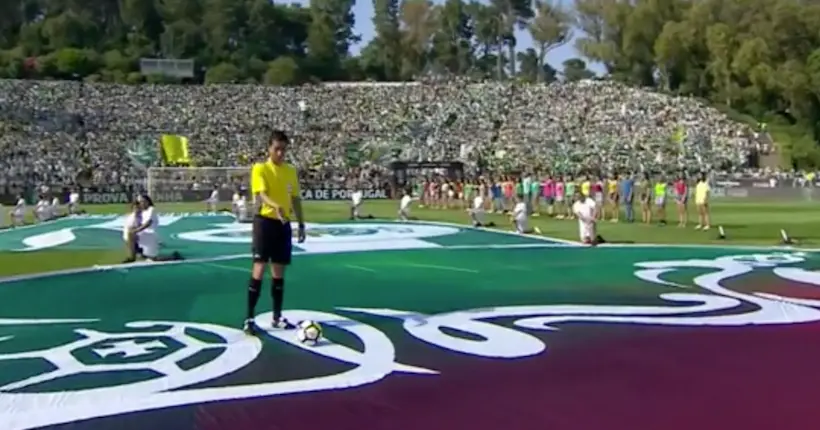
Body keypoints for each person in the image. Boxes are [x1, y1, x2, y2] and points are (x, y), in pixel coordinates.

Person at [244, 130, 306, 335]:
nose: (280, 153)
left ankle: (277, 317)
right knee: (259, 269)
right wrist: (276, 206)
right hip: (265, 223)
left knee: (279, 273)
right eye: (276, 149)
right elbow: (261, 195)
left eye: (283, 150)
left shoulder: (290, 171)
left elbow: (296, 199)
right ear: (269, 148)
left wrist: (301, 223)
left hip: (283, 225)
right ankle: (249, 318)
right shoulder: (260, 168)